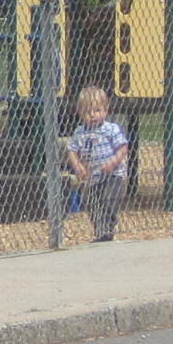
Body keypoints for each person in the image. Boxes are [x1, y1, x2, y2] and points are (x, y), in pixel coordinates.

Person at [63, 84, 129, 241]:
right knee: (92, 203)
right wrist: (78, 166)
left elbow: (123, 147)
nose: (92, 115)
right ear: (80, 113)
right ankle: (101, 231)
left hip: (114, 175)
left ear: (105, 111)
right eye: (87, 112)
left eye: (97, 111)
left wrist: (113, 162)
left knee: (108, 200)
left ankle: (107, 229)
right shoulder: (80, 132)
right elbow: (71, 150)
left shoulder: (110, 129)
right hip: (93, 177)